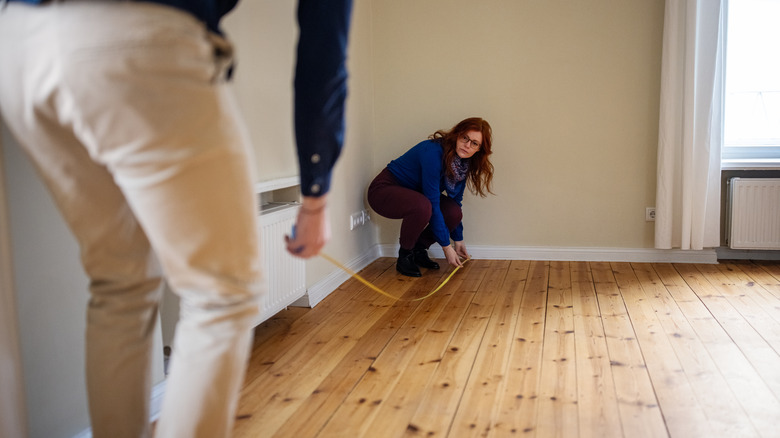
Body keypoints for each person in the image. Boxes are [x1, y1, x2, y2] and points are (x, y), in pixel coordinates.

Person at [0, 0, 352, 437]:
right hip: (137, 41)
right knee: (223, 294)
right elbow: (325, 49)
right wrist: (316, 196)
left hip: (19, 48)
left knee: (119, 285)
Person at [367, 117, 494, 277]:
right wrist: (446, 247)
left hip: (418, 196)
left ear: (479, 149)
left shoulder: (462, 165)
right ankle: (405, 256)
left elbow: (455, 201)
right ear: (457, 135)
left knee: (453, 211)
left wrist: (458, 240)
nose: (467, 145)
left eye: (474, 143)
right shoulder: (433, 152)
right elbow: (432, 202)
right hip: (384, 191)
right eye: (465, 138)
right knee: (423, 206)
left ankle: (419, 250)